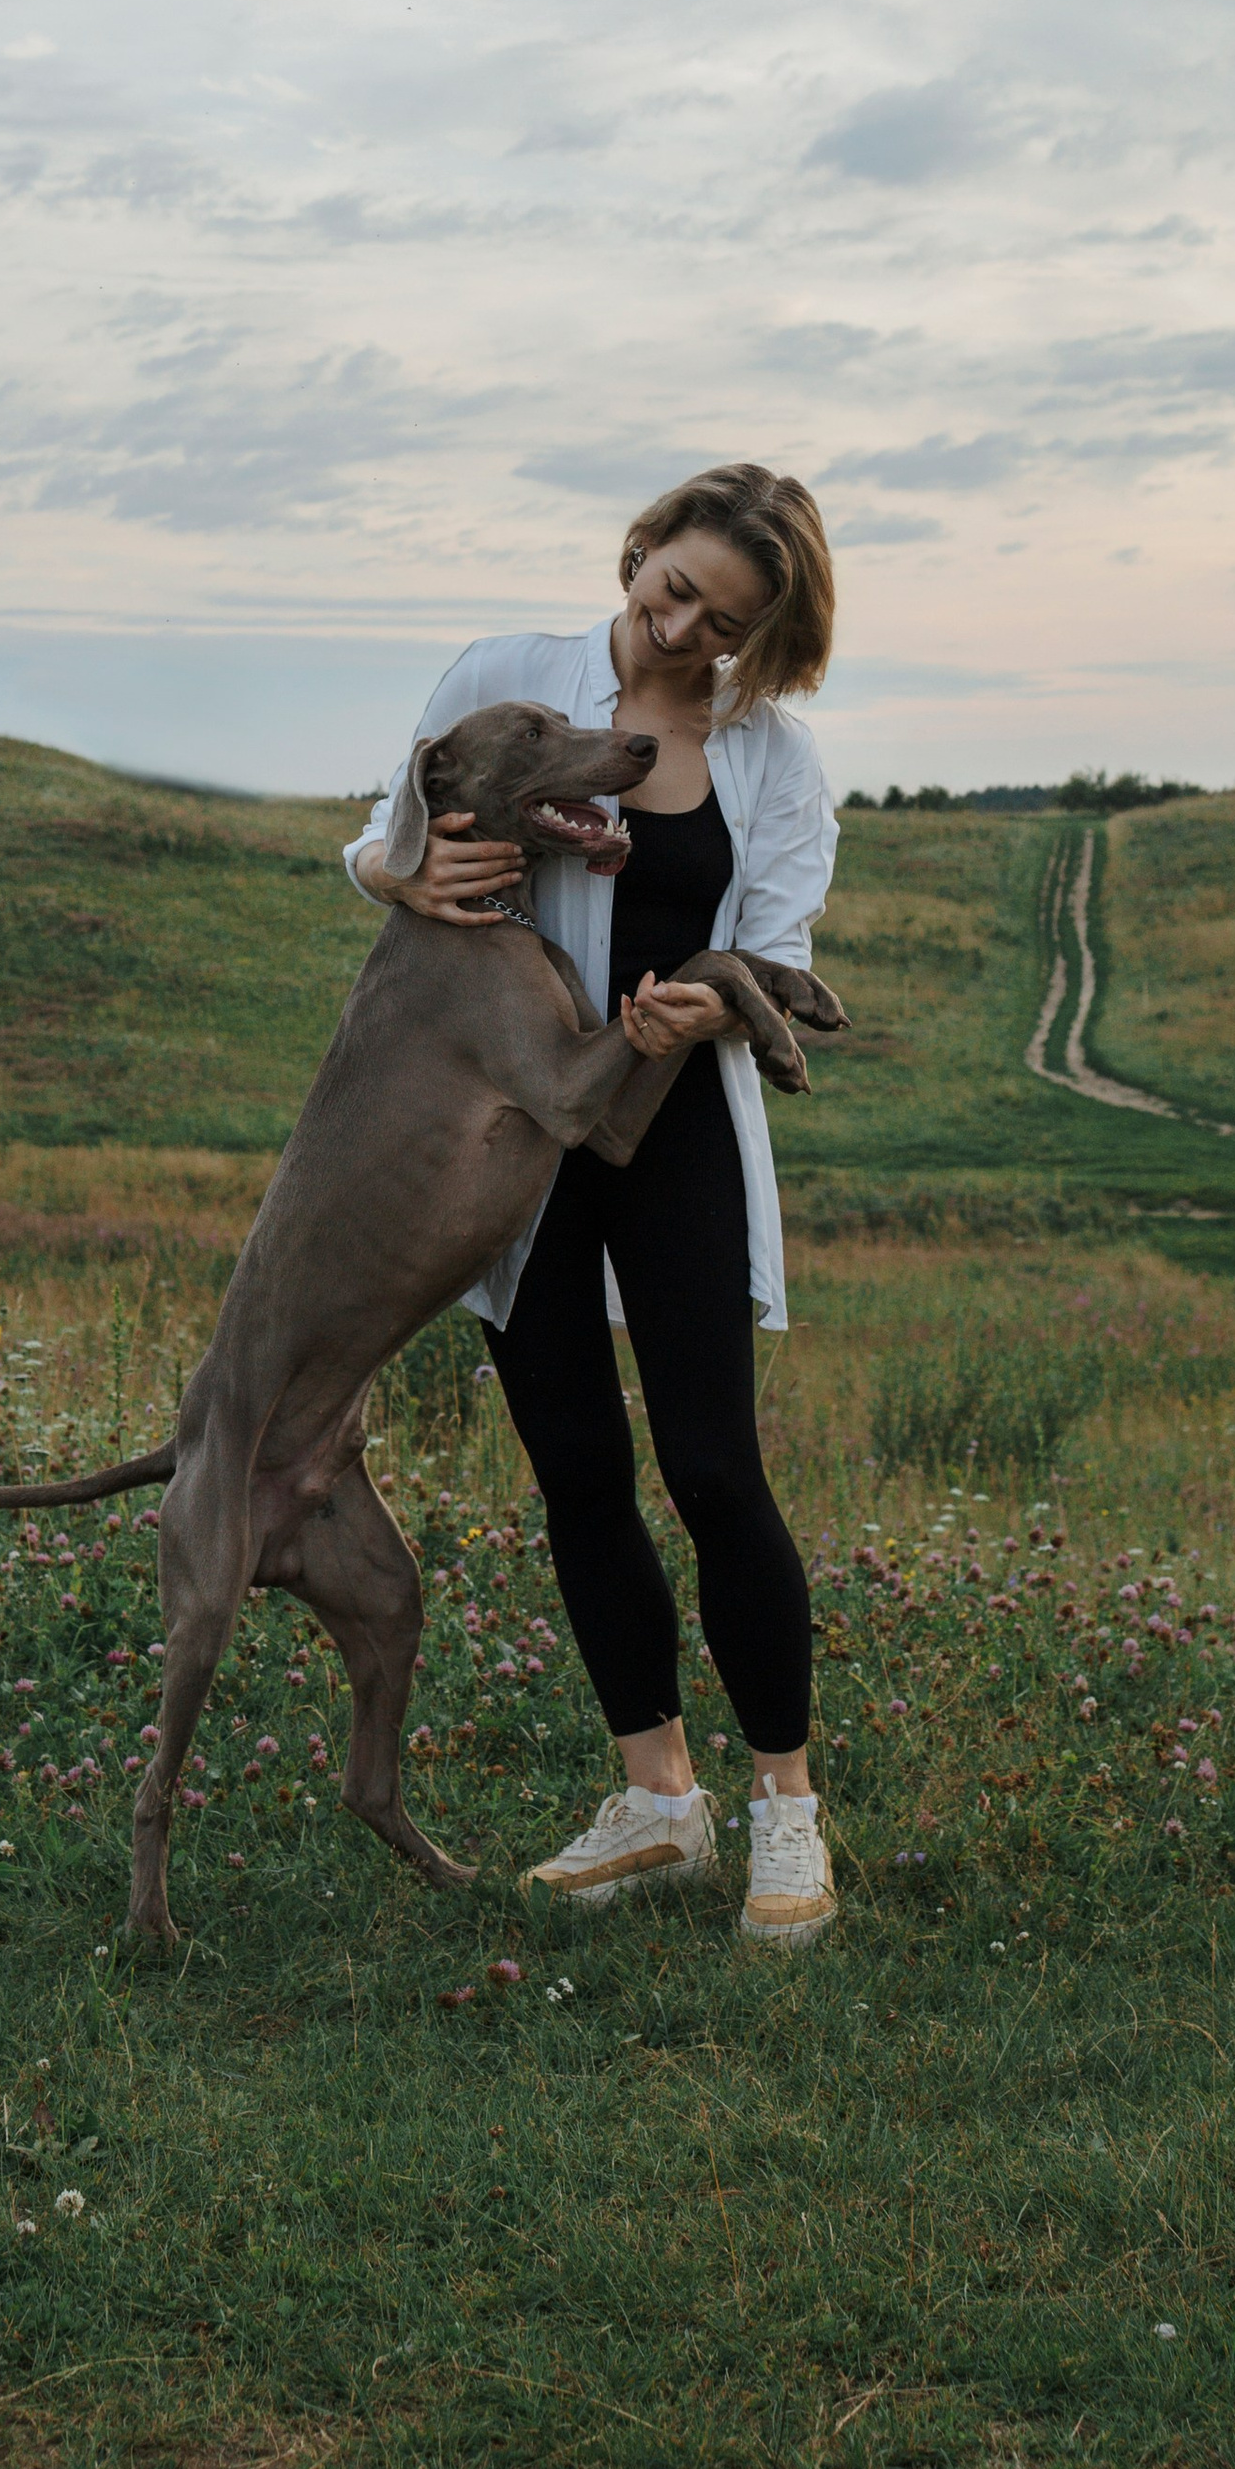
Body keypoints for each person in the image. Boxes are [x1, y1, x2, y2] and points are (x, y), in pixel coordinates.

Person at [348, 461, 842, 1946]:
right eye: (673, 588)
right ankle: (656, 1799)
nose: (680, 631)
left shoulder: (772, 760)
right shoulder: (507, 678)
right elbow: (382, 837)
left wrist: (708, 1007)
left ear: (763, 638)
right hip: (512, 1134)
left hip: (672, 1128)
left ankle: (788, 1817)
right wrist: (404, 878)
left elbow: (776, 945)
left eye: (723, 623)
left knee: (715, 1472)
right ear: (641, 550)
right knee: (575, 1468)